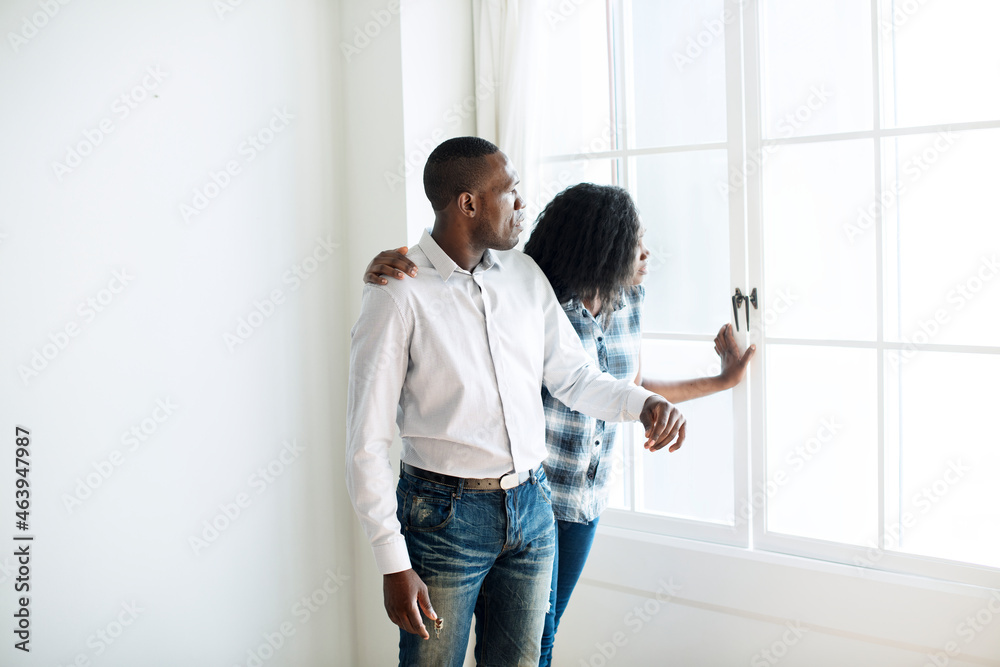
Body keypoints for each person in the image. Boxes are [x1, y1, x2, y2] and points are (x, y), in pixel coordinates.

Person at [364, 182, 754, 666]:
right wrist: (391, 560)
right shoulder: (436, 288)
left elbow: (595, 380)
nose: (522, 202)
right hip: (460, 505)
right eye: (509, 191)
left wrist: (673, 396)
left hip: (544, 500)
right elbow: (367, 440)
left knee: (531, 651)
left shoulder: (545, 283)